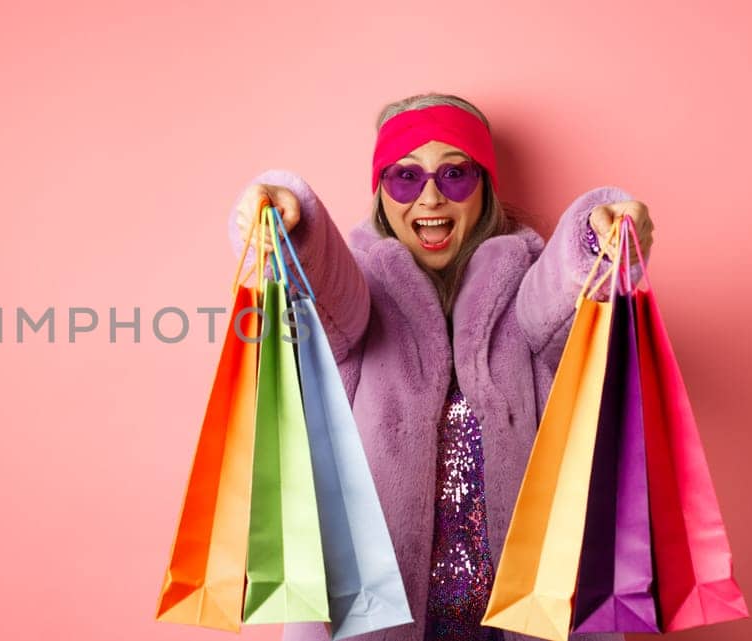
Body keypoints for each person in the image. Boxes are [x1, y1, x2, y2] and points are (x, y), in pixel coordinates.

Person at [226, 93, 654, 641]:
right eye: (405, 176)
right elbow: (324, 282)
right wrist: (288, 226)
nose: (430, 196)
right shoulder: (359, 298)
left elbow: (564, 289)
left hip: (523, 620)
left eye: (455, 174)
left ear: (485, 187)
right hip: (383, 623)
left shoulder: (523, 284)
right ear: (381, 191)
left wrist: (602, 235)